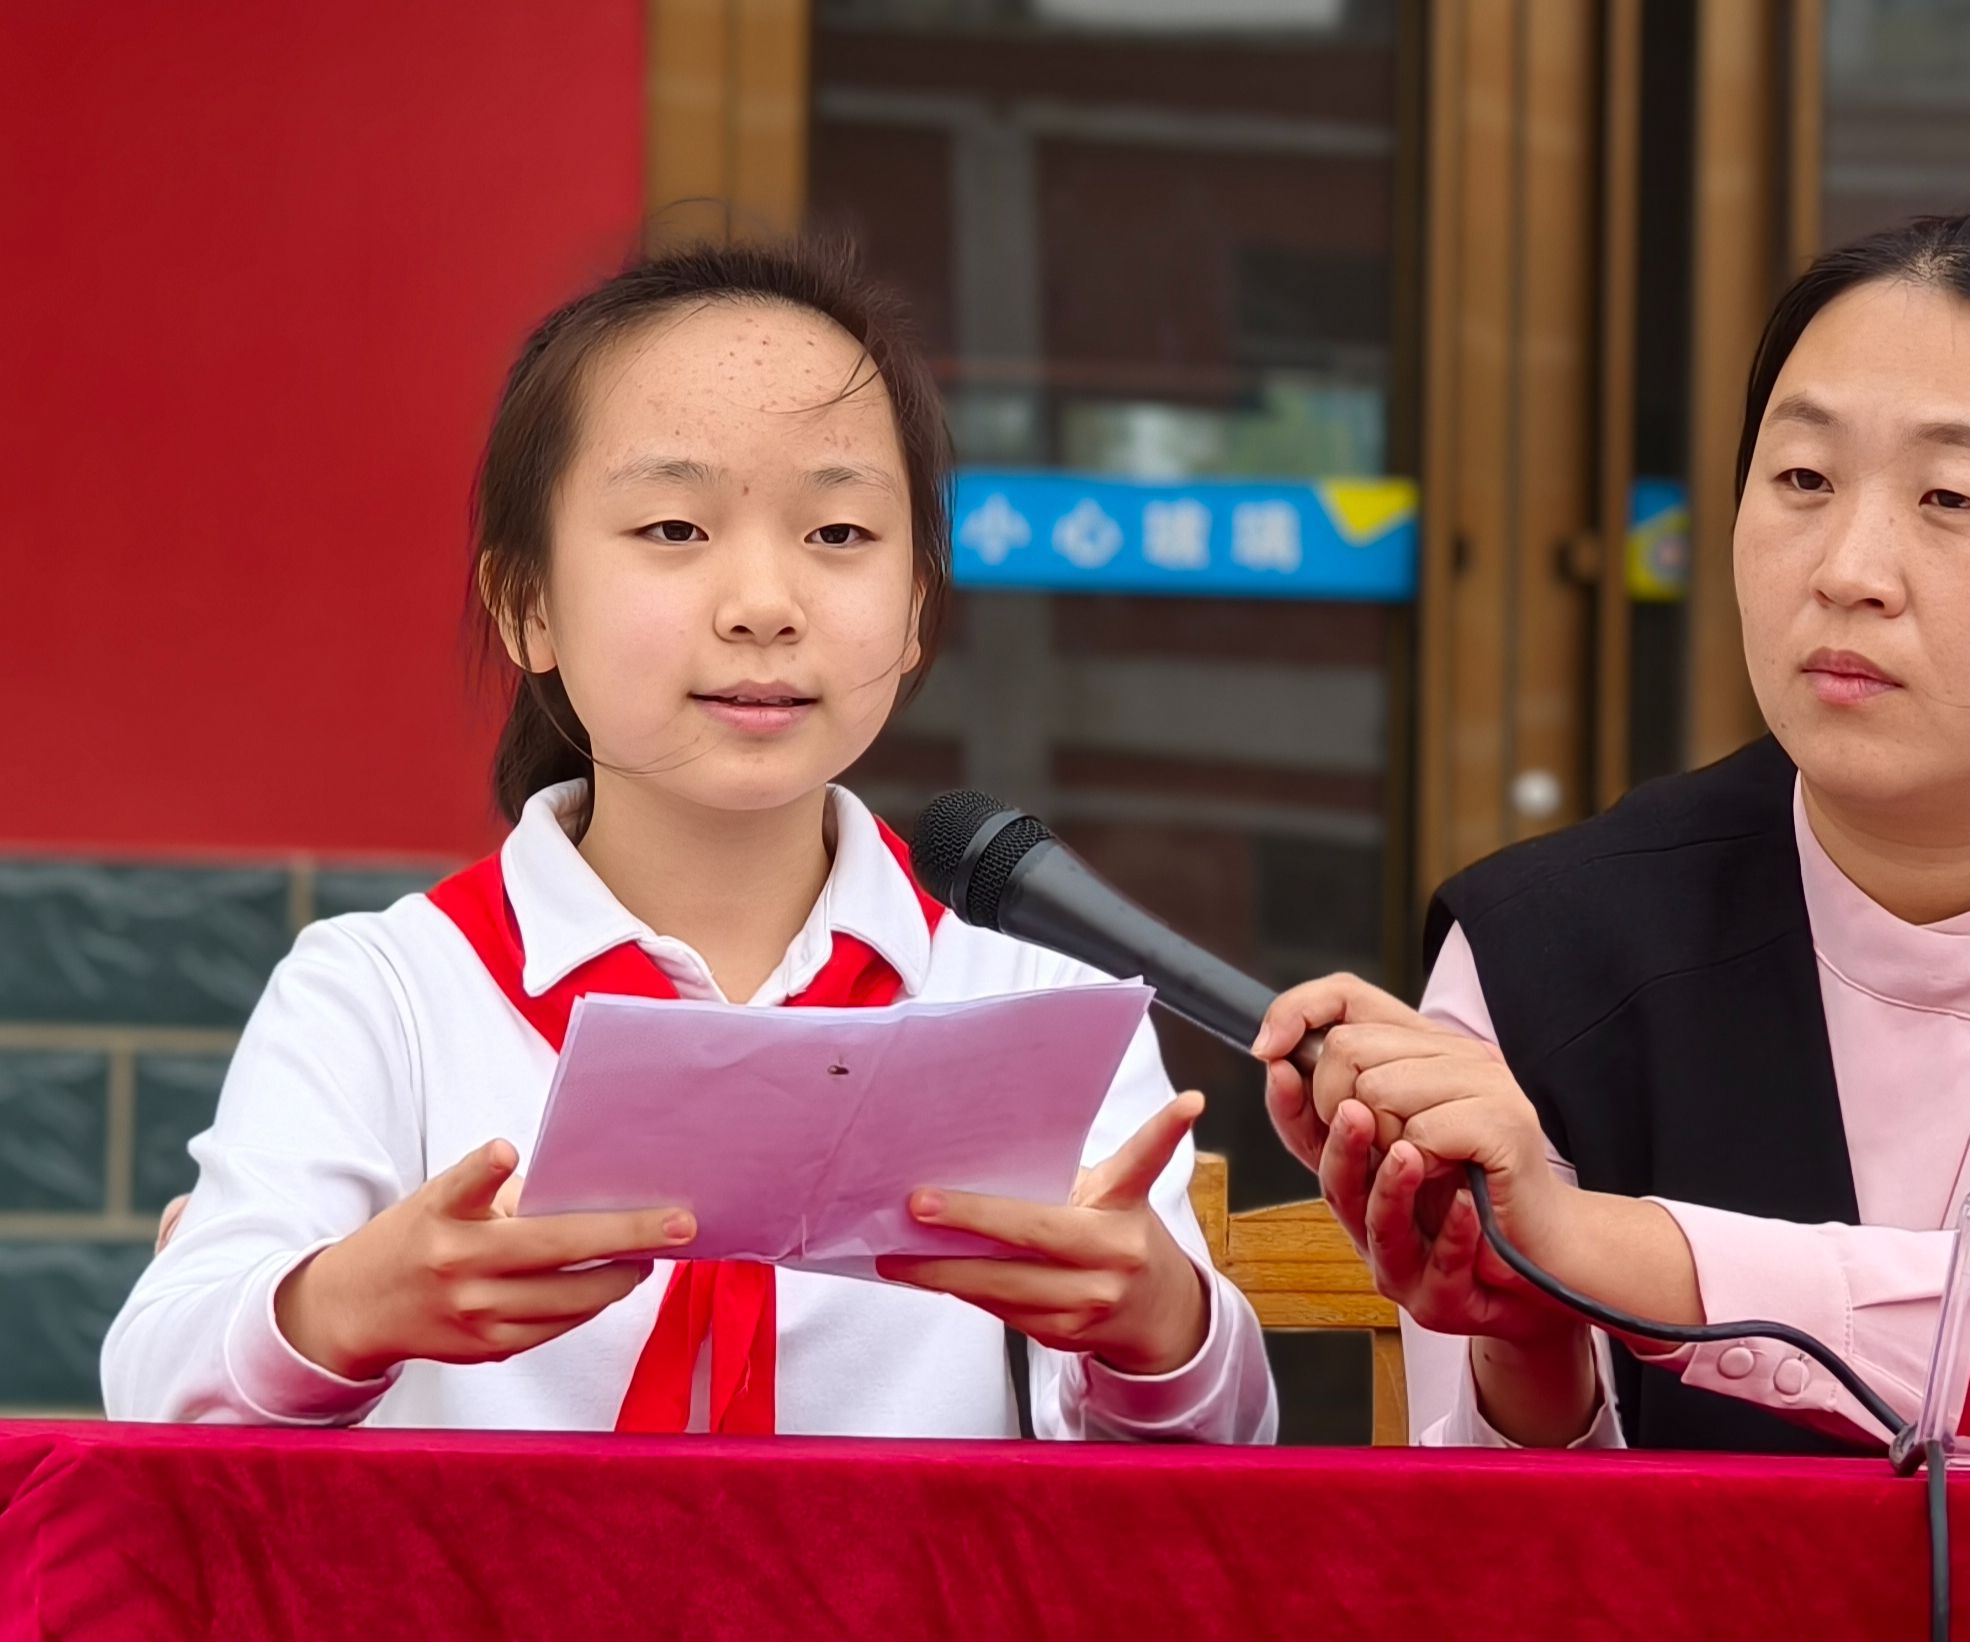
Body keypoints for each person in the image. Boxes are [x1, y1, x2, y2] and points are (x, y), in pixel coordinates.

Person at [1256, 207, 1970, 1453]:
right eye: (1803, 480)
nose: (1849, 567)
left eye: (1953, 496)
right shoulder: (1541, 950)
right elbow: (1491, 1527)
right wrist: (1531, 1338)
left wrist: (1594, 1246)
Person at [103, 240, 1276, 1443]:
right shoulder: (385, 993)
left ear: (918, 611)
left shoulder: (1035, 1000)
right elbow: (159, 1382)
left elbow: (1209, 1457)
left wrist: (1159, 1328)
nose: (763, 604)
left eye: (839, 533)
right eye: (674, 526)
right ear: (527, 604)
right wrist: (344, 1306)